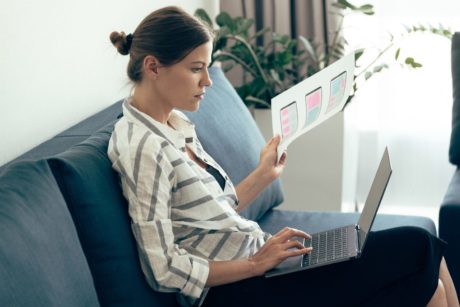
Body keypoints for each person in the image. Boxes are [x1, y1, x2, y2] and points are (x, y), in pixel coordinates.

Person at [108, 6, 458, 307]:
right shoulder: (143, 147)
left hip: (262, 260)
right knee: (420, 244)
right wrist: (255, 265)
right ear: (154, 67)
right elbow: (163, 268)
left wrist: (263, 174)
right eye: (196, 68)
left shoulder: (175, 123)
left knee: (421, 284)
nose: (208, 82)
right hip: (236, 289)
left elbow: (212, 214)